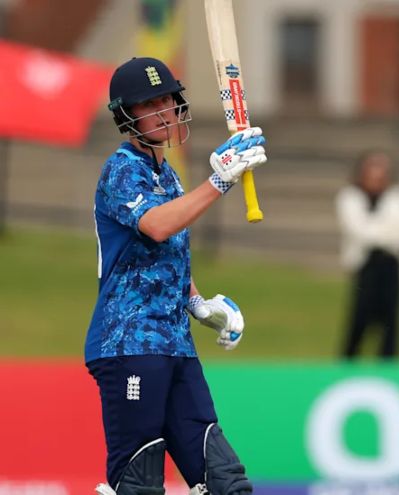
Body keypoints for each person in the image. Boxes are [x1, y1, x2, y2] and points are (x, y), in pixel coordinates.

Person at [86, 57, 267, 495]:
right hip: (129, 344)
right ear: (126, 114)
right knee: (140, 486)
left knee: (226, 484)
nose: (163, 111)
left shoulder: (168, 175)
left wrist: (200, 305)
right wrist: (220, 181)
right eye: (150, 104)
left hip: (175, 345)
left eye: (167, 100)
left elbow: (167, 259)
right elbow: (156, 226)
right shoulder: (121, 169)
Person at [336, 150, 399, 359]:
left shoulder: (398, 198)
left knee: (391, 321)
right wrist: (385, 230)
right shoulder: (351, 197)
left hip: (391, 265)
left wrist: (376, 231)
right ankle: (347, 364)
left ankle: (388, 365)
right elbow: (358, 230)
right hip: (365, 266)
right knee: (359, 319)